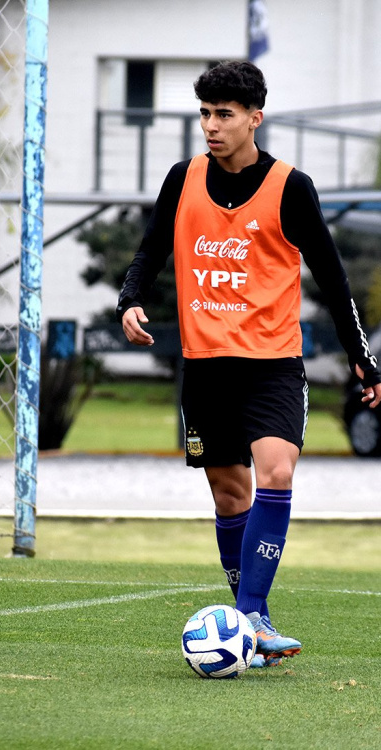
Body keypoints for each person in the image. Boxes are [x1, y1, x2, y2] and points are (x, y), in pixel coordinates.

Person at [117, 60, 381, 668]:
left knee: (277, 472)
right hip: (206, 366)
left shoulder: (290, 186)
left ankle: (252, 616)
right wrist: (130, 299)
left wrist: (362, 357)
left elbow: (333, 278)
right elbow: (152, 246)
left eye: (224, 115)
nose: (211, 126)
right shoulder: (183, 178)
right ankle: (247, 629)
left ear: (254, 118)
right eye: (204, 114)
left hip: (272, 364)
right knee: (229, 494)